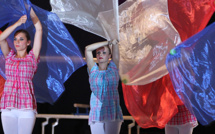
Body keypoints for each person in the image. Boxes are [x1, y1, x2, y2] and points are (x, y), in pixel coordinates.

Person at [0, 8, 42, 134]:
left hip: (26, 107)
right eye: (15, 39)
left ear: (28, 42)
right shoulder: (9, 57)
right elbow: (1, 39)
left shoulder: (32, 58)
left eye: (21, 39)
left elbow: (39, 29)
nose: (17, 42)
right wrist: (17, 24)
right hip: (8, 105)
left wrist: (30, 9)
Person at [85, 39, 123, 134]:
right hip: (96, 111)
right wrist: (107, 42)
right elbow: (88, 49)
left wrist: (113, 43)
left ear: (109, 56)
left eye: (104, 52)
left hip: (112, 110)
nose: (100, 55)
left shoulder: (113, 68)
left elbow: (116, 45)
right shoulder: (93, 70)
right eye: (98, 53)